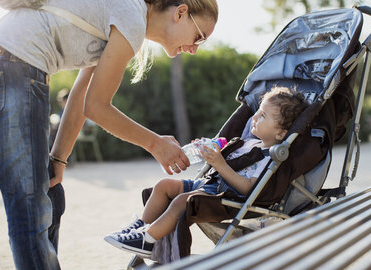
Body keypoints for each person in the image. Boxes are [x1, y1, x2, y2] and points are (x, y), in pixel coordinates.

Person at [0, 0, 218, 270]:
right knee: (31, 212)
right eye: (200, 37)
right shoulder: (132, 15)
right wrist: (155, 144)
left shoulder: (126, 11)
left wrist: (58, 160)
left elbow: (80, 98)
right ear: (181, 13)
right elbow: (97, 107)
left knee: (50, 196)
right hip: (10, 68)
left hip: (8, 68)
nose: (195, 49)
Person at [104, 86, 308, 258]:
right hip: (208, 183)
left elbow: (248, 188)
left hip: (225, 196)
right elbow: (220, 148)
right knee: (164, 186)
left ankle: (148, 240)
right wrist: (206, 148)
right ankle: (139, 228)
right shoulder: (248, 141)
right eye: (258, 111)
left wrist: (220, 164)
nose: (254, 117)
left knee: (182, 201)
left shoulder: (269, 157)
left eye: (262, 115)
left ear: (281, 133)